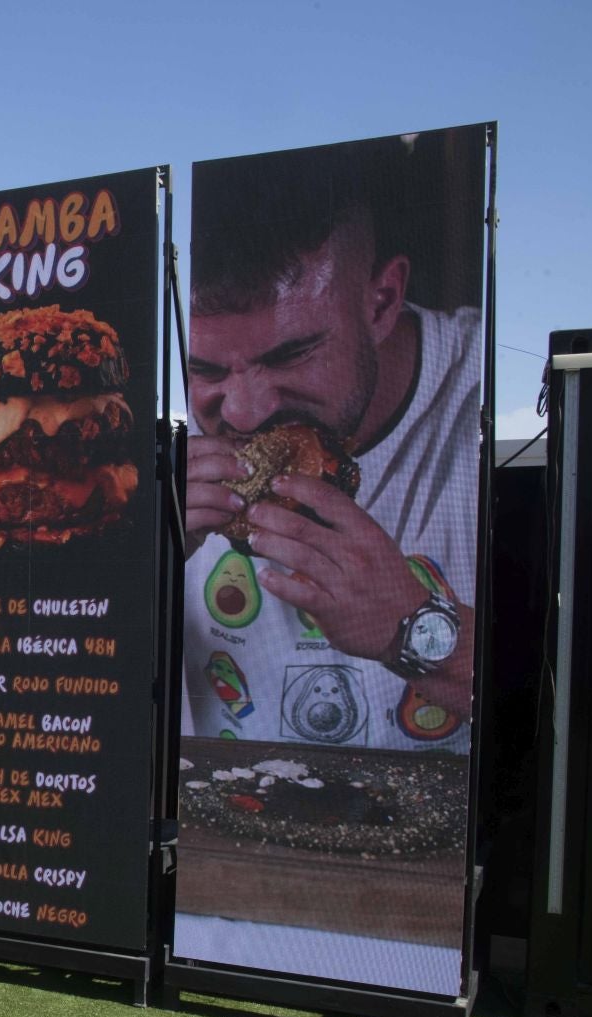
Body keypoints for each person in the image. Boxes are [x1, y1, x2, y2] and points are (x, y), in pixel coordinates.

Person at [181, 140, 482, 751]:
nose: (243, 412)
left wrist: (414, 627)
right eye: (205, 370)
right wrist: (122, 575)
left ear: (382, 301)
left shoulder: (501, 399)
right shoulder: (129, 454)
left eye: (291, 353)